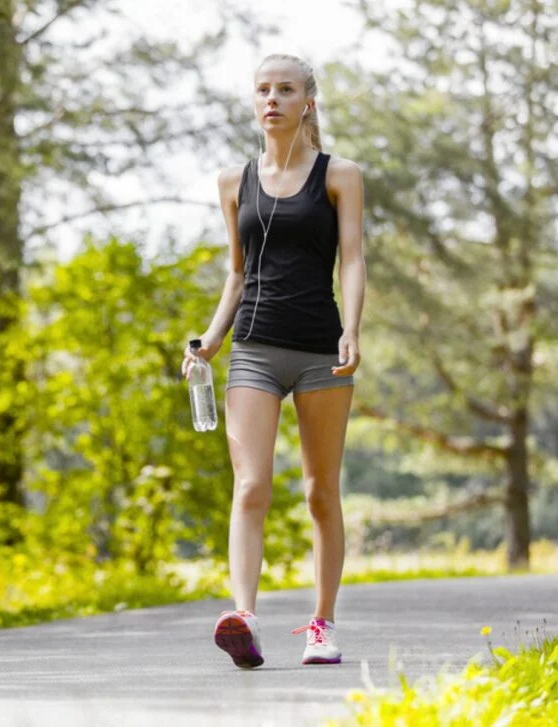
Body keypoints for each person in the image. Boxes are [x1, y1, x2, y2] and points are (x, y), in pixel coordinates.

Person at [181, 53, 366, 668]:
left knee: (320, 493)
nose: (272, 100)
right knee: (251, 485)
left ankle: (322, 625)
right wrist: (209, 340)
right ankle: (245, 617)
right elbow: (236, 274)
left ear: (307, 101)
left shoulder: (340, 175)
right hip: (254, 349)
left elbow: (353, 259)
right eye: (263, 90)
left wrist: (354, 330)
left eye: (285, 90)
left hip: (321, 349)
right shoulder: (234, 182)